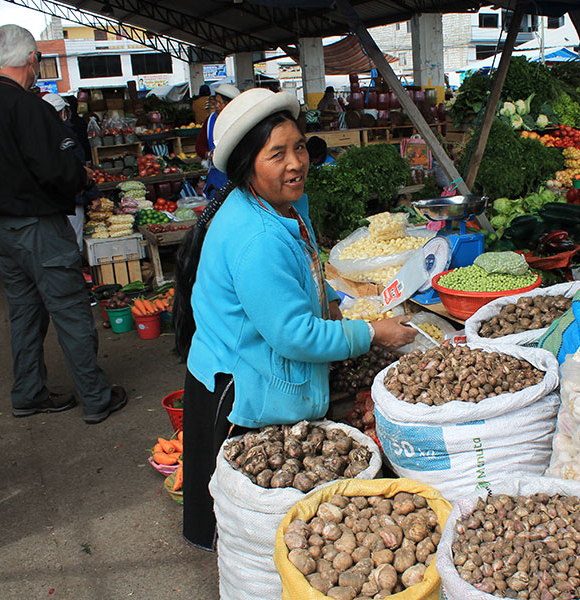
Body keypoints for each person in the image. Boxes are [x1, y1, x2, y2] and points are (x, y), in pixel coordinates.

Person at [172, 87, 416, 550]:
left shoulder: (282, 203)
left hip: (250, 366)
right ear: (248, 166)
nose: (295, 163)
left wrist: (326, 300)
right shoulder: (255, 237)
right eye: (277, 154)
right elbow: (294, 336)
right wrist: (371, 331)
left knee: (263, 515)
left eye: (299, 147)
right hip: (237, 389)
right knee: (244, 523)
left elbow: (307, 264)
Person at [0, 25, 126, 423]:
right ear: (31, 59)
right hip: (38, 227)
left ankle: (27, 392)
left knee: (25, 312)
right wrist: (82, 178)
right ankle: (96, 398)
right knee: (71, 310)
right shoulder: (29, 108)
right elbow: (57, 170)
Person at [42, 93, 99, 250]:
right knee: (73, 243)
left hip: (49, 200)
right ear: (62, 112)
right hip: (71, 197)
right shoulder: (65, 133)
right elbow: (78, 168)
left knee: (55, 244)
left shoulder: (37, 135)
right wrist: (93, 195)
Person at [194, 83, 240, 199]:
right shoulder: (210, 121)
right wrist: (209, 154)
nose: (216, 106)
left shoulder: (241, 121)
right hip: (217, 179)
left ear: (229, 104)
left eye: (219, 103)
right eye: (216, 102)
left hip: (239, 179)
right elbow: (200, 146)